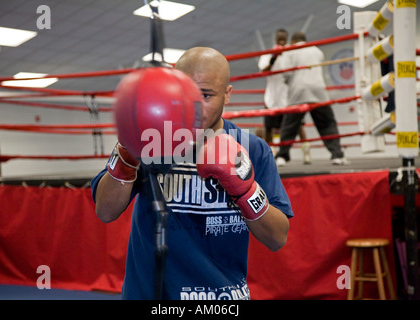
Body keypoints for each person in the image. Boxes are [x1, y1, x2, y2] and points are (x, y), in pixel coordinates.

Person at [91, 47, 293, 300]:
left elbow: (277, 238)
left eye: (206, 95)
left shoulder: (251, 148)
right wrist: (127, 156)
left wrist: (245, 188)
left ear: (227, 95)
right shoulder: (151, 139)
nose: (195, 108)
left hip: (223, 299)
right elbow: (105, 211)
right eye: (186, 95)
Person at [275, 32, 348, 167]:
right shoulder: (316, 50)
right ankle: (337, 155)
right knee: (327, 123)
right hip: (318, 89)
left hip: (298, 90)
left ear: (294, 40)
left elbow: (286, 73)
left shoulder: (289, 51)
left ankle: (282, 157)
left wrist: (288, 81)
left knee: (289, 126)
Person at [258, 29, 311, 164]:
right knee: (268, 128)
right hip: (272, 97)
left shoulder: (292, 53)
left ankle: (306, 152)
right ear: (275, 39)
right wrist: (274, 58)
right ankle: (268, 156)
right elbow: (264, 70)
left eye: (283, 40)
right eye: (279, 40)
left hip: (289, 96)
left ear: (287, 40)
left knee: (298, 126)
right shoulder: (267, 54)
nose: (281, 42)